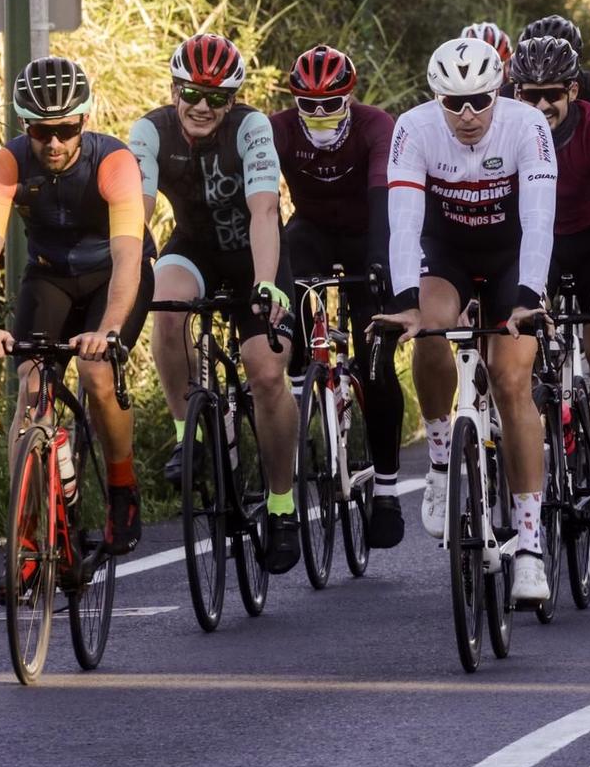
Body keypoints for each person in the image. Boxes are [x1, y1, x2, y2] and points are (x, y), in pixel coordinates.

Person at [0, 56, 151, 592]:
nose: (54, 143)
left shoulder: (114, 163)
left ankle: (122, 487)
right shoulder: (7, 164)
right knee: (29, 394)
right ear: (26, 126)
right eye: (42, 130)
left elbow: (127, 258)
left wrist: (109, 329)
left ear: (84, 122)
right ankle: (26, 543)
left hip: (114, 277)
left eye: (66, 130)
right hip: (49, 277)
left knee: (96, 375)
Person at [384, 37, 558, 605]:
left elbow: (538, 220)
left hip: (511, 255)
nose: (466, 115)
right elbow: (405, 225)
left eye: (479, 100)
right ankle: (440, 460)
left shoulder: (527, 125)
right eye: (452, 102)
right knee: (428, 332)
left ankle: (530, 547)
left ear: (499, 90)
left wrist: (530, 298)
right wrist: (406, 299)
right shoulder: (413, 128)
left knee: (511, 382)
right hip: (447, 251)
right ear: (435, 98)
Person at [128, 34, 302, 575]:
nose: (202, 105)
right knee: (164, 300)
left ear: (233, 99)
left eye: (217, 96)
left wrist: (268, 283)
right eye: (191, 92)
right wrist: (129, 266)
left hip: (255, 255)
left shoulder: (251, 128)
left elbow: (265, 212)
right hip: (196, 248)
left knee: (267, 373)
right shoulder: (149, 130)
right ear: (174, 88)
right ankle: (188, 436)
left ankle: (281, 503)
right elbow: (137, 209)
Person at [269, 44, 406, 549]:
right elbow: (263, 202)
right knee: (291, 316)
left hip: (370, 229)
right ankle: (307, 383)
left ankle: (387, 489)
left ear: (350, 99)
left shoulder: (375, 126)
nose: (321, 114)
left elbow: (383, 193)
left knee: (376, 364)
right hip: (311, 233)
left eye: (332, 105)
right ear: (295, 102)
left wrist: (380, 266)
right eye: (310, 105)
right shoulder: (278, 129)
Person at [508, 36, 590, 539]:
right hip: (535, 243)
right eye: (529, 95)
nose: (542, 106)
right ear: (513, 92)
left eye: (553, 94)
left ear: (574, 91)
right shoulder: (503, 129)